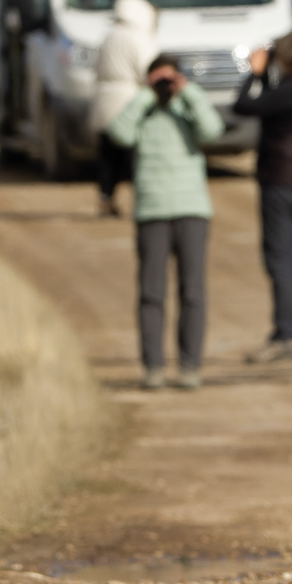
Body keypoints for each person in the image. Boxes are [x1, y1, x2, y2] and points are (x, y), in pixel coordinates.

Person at [107, 55, 225, 390]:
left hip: (192, 209)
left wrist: (187, 93)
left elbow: (212, 130)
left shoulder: (187, 108)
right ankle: (154, 366)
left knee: (192, 292)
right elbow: (118, 133)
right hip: (152, 211)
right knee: (151, 293)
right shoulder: (142, 112)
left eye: (169, 78)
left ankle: (190, 365)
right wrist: (145, 95)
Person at [232, 29, 292, 364]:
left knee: (279, 258)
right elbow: (272, 105)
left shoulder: (289, 91)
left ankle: (286, 333)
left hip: (281, 180)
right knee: (289, 258)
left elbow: (244, 106)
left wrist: (254, 73)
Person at [88, 0, 158, 218]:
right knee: (135, 156)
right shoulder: (138, 37)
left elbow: (96, 68)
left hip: (104, 99)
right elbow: (148, 71)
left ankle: (105, 200)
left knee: (108, 156)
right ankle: (143, 202)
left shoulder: (109, 36)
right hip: (129, 101)